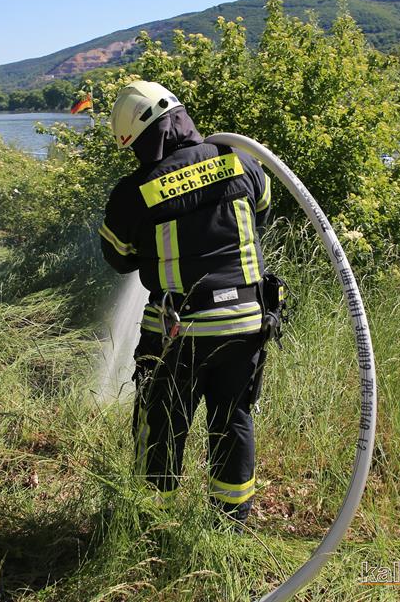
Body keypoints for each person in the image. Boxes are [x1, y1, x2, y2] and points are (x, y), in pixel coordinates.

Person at [99, 80, 272, 524]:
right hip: (245, 323)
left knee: (162, 424)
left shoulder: (134, 192)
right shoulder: (242, 161)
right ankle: (230, 523)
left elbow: (118, 258)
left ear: (138, 139)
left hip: (179, 334)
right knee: (233, 420)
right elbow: (263, 211)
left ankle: (153, 523)